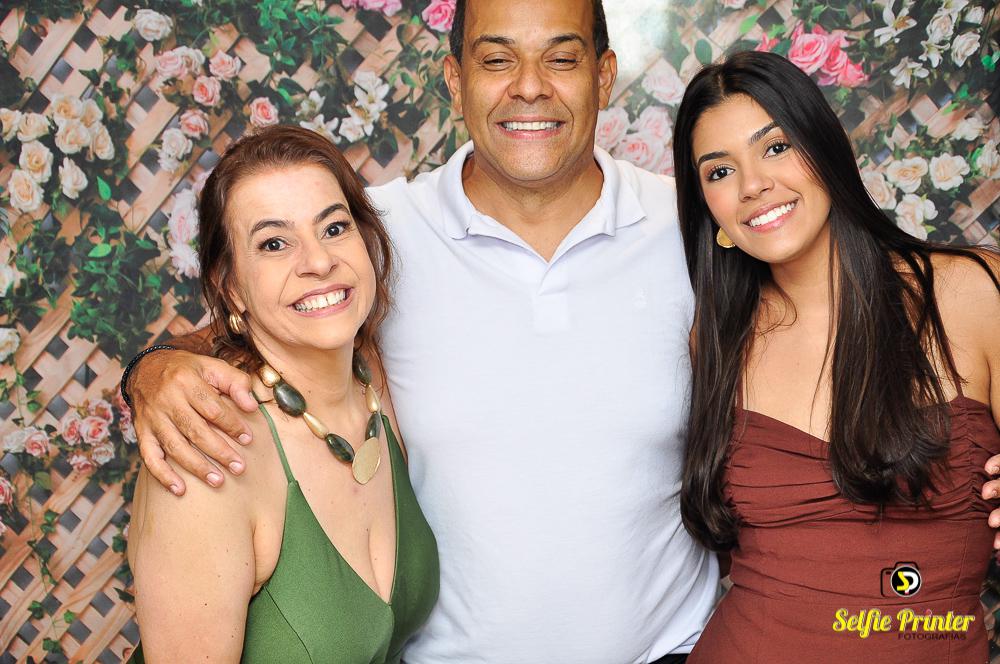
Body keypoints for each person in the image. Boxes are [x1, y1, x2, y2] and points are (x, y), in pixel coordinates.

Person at [122, 0, 718, 662]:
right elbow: (255, 326)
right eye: (497, 60)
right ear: (455, 81)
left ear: (603, 75)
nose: (529, 86)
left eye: (560, 58)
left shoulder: (692, 225)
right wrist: (153, 371)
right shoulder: (375, 234)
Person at [674, 50, 1000, 664]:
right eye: (719, 172)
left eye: (775, 147)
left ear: (825, 148)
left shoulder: (972, 292)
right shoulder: (714, 340)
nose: (752, 185)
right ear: (709, 210)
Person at [126, 125, 439, 663]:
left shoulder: (376, 379)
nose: (318, 261)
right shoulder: (212, 452)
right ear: (230, 285)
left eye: (334, 228)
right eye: (274, 243)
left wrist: (146, 367)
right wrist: (146, 371)